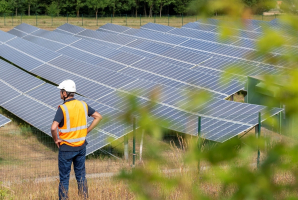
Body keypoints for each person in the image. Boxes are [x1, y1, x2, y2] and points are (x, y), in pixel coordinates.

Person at [51, 80, 102, 200]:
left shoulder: (63, 108)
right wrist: (86, 131)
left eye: (61, 91)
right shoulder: (83, 104)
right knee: (81, 177)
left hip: (66, 149)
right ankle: (84, 198)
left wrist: (56, 140)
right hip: (81, 147)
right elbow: (98, 117)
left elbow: (53, 127)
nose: (60, 93)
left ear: (64, 93)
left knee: (64, 179)